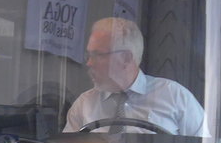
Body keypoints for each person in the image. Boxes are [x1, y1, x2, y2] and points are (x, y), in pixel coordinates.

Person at [64, 17, 206, 136]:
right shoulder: (84, 104)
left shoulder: (175, 97)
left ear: (126, 58)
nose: (89, 63)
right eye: (88, 55)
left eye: (97, 55)